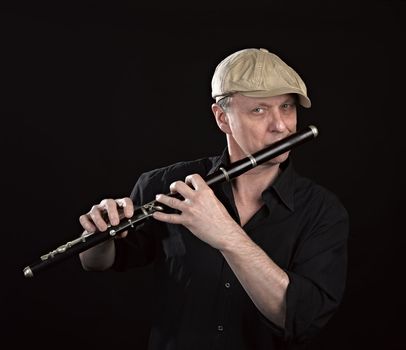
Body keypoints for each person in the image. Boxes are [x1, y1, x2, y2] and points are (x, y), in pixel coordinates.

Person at [79, 48, 349, 350]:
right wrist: (98, 237)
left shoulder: (323, 211)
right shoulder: (165, 185)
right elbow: (99, 263)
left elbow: (299, 319)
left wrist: (225, 234)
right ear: (222, 117)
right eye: (259, 110)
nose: (281, 126)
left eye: (287, 107)